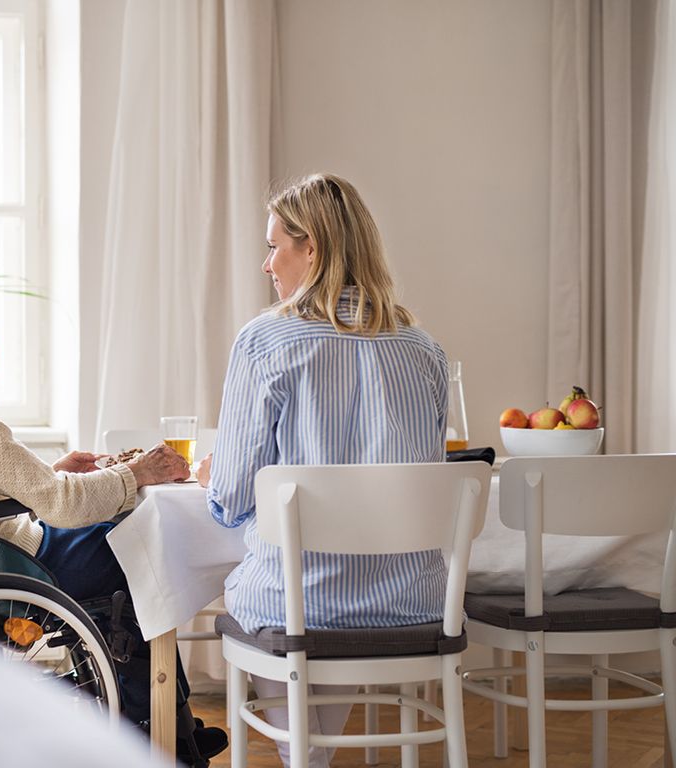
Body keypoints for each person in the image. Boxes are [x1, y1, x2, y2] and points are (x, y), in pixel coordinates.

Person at [0, 272, 226, 765]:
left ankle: (171, 723)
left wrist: (57, 474)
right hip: (9, 566)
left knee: (124, 539)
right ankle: (163, 733)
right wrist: (137, 472)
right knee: (144, 545)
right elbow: (60, 504)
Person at [197, 173, 449, 768]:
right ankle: (311, 760)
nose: (267, 265)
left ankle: (304, 760)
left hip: (304, 602)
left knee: (296, 593)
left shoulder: (265, 341)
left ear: (311, 248)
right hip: (410, 600)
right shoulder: (425, 349)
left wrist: (216, 475)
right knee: (329, 592)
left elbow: (231, 499)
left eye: (273, 247)